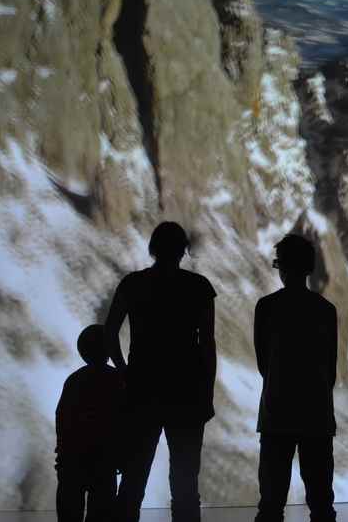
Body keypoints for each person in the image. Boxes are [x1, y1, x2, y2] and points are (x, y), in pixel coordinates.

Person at [105, 222, 217, 522]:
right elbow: (207, 345)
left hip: (142, 391)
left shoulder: (132, 284)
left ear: (154, 248)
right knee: (185, 484)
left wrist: (124, 371)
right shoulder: (199, 288)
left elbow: (110, 332)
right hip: (187, 394)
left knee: (132, 480)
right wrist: (207, 392)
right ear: (183, 250)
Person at [253, 234, 338, 522]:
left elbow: (263, 363)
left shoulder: (266, 308)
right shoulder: (326, 311)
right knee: (321, 501)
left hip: (277, 412)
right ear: (309, 267)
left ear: (283, 267)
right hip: (317, 414)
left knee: (271, 502)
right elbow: (331, 368)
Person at [55, 324, 125, 522]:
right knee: (101, 511)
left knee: (69, 510)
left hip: (72, 459)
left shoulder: (74, 380)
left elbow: (62, 417)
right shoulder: (117, 379)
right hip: (104, 460)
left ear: (82, 352)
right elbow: (121, 421)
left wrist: (62, 450)